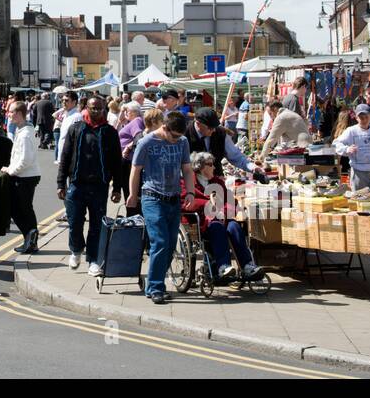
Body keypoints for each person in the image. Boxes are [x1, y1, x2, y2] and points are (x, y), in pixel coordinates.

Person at [126, 112, 195, 304]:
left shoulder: (182, 142)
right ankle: (156, 286)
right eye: (173, 136)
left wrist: (190, 192)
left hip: (173, 198)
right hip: (152, 197)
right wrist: (133, 194)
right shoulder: (146, 142)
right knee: (160, 242)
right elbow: (136, 169)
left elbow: (187, 169)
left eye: (179, 136)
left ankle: (154, 284)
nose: (176, 140)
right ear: (164, 127)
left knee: (170, 244)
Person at [56, 95, 124, 276]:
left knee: (97, 225)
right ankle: (76, 250)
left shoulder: (109, 132)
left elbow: (117, 162)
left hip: (99, 187)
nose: (97, 111)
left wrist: (117, 187)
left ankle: (93, 260)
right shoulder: (76, 129)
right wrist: (61, 183)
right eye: (93, 108)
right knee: (74, 222)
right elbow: (65, 157)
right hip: (77, 185)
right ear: (86, 108)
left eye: (100, 109)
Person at [192, 151, 261, 284]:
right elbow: (188, 202)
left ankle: (247, 265)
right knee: (217, 227)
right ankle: (223, 266)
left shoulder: (218, 181)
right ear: (200, 167)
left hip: (223, 218)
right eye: (210, 164)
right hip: (203, 222)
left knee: (235, 227)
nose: (214, 167)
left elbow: (230, 201)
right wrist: (209, 206)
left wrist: (222, 211)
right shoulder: (189, 182)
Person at [3, 102, 42, 253]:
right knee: (20, 209)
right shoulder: (22, 130)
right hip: (23, 175)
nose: (8, 114)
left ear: (19, 113)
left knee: (23, 210)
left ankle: (31, 240)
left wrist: (11, 171)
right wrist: (10, 168)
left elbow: (26, 160)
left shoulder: (25, 134)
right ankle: (29, 239)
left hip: (25, 177)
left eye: (11, 112)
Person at [186, 107, 264, 176]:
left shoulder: (220, 133)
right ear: (198, 124)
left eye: (215, 127)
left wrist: (252, 167)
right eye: (210, 128)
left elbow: (235, 156)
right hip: (193, 183)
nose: (213, 130)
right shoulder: (185, 135)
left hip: (216, 180)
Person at [333, 104, 370, 189]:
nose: (364, 120)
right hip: (358, 172)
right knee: (358, 197)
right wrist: (347, 149)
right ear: (356, 118)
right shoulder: (351, 131)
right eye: (361, 117)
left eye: (366, 117)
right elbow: (336, 143)